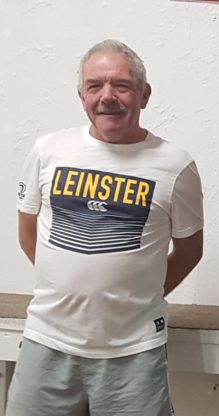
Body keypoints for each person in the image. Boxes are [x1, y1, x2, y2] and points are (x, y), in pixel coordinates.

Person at [8, 39, 204, 416]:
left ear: (144, 95)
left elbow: (190, 251)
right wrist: (69, 286)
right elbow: (27, 232)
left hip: (134, 353)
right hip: (46, 341)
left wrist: (136, 295)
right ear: (82, 96)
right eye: (94, 86)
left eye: (121, 85)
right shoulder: (48, 151)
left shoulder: (175, 166)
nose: (107, 96)